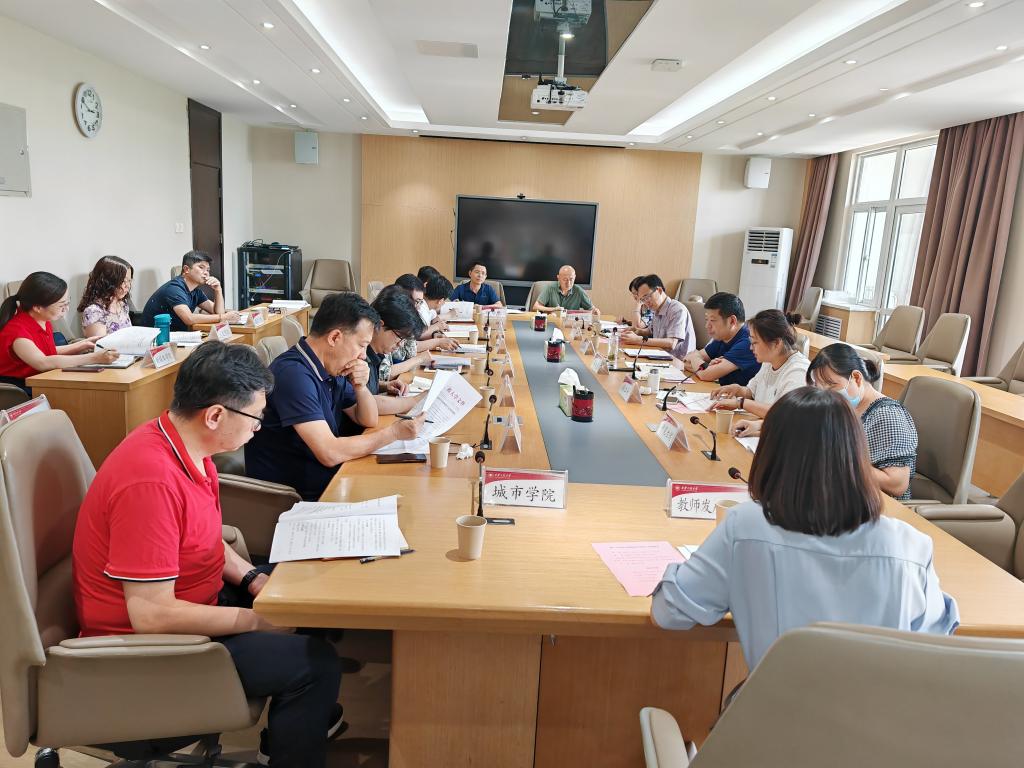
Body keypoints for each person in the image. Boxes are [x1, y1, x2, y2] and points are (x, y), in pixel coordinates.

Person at [72, 342, 344, 768]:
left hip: (195, 603)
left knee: (307, 592)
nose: (259, 428)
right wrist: (258, 621)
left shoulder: (188, 447)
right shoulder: (151, 479)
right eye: (256, 417)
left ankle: (297, 728)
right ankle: (296, 728)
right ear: (215, 415)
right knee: (316, 665)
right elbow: (151, 615)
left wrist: (254, 579)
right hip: (149, 653)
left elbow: (203, 539)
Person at [651, 386, 958, 671]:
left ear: (771, 454)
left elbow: (669, 613)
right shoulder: (910, 545)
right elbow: (936, 644)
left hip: (773, 712)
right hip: (877, 713)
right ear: (857, 457)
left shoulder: (746, 527)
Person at [245, 292, 425, 500]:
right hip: (298, 498)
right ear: (334, 337)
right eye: (361, 345)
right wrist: (393, 433)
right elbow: (329, 452)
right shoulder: (293, 374)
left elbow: (367, 419)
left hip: (331, 480)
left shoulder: (331, 367)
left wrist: (361, 387)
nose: (363, 355)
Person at [808, 343, 918, 501]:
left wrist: (839, 462)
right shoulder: (844, 408)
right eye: (821, 388)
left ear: (857, 378)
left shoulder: (888, 415)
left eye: (831, 385)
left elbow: (897, 484)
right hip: (842, 493)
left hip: (874, 503)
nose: (826, 394)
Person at [0, 271, 118, 393]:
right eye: (62, 305)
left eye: (67, 302)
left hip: (40, 380)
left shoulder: (42, 320)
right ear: (38, 307)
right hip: (19, 391)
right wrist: (95, 357)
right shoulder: (17, 331)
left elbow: (46, 351)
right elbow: (43, 362)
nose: (66, 309)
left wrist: (83, 344)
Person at [710, 310, 810, 433]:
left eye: (755, 342)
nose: (751, 347)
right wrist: (738, 389)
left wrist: (741, 403)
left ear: (777, 343)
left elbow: (784, 415)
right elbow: (752, 392)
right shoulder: (769, 361)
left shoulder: (799, 372)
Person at [140, 250, 240, 331]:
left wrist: (218, 290)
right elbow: (189, 318)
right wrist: (223, 317)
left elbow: (217, 312)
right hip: (157, 339)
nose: (206, 273)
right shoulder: (174, 288)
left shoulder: (196, 291)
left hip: (176, 336)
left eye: (208, 270)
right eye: (201, 267)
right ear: (186, 269)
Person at [681, 292, 759, 386]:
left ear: (732, 321)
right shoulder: (723, 337)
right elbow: (686, 361)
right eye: (707, 320)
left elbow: (705, 374)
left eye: (712, 320)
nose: (707, 326)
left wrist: (696, 360)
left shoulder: (748, 343)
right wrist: (704, 366)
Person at [619, 274, 695, 361]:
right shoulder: (656, 309)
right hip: (660, 355)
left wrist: (637, 340)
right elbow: (650, 332)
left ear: (659, 290)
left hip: (679, 361)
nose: (646, 302)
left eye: (647, 297)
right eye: (643, 300)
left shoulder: (677, 309)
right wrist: (637, 331)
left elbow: (671, 343)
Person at [79, 255, 134, 337]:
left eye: (129, 280)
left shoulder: (122, 303)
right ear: (108, 281)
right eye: (123, 281)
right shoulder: (94, 311)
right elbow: (100, 343)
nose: (128, 286)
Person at [532, 265, 599, 314]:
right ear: (558, 278)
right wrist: (554, 309)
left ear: (575, 277)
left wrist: (595, 311)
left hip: (570, 325)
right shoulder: (550, 288)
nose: (568, 283)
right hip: (553, 322)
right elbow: (536, 307)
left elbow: (591, 309)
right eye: (565, 279)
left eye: (571, 279)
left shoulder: (579, 291)